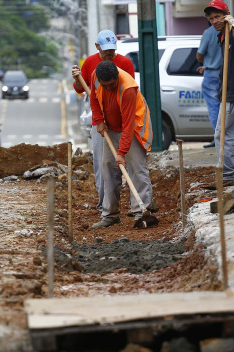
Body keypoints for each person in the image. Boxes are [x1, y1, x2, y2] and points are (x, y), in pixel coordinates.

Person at [72, 30, 136, 214]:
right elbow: (81, 89)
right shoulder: (90, 63)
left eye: (112, 49)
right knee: (102, 165)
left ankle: (137, 206)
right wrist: (77, 78)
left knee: (132, 163)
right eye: (106, 49)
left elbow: (130, 91)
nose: (110, 53)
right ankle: (105, 206)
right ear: (97, 46)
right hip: (100, 121)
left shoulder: (124, 63)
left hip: (122, 120)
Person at [89, 61, 155, 229]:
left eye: (111, 84)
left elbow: (128, 124)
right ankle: (110, 215)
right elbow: (94, 99)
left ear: (116, 77)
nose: (108, 88)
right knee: (108, 167)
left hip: (133, 127)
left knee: (137, 169)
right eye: (105, 85)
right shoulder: (95, 76)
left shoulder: (127, 89)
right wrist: (99, 120)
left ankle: (142, 212)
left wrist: (121, 153)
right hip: (111, 127)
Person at [205, 0, 234, 187]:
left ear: (226, 15)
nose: (214, 21)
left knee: (222, 135)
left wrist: (233, 29)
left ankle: (226, 175)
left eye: (217, 17)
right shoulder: (223, 35)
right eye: (211, 18)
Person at [196, 23, 223, 149]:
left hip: (211, 74)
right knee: (227, 106)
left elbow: (199, 55)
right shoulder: (228, 30)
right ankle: (226, 136)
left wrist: (208, 62)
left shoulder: (208, 33)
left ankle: (218, 137)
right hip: (225, 72)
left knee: (214, 108)